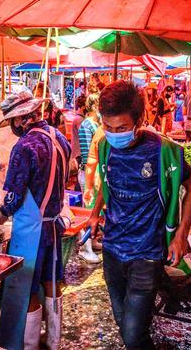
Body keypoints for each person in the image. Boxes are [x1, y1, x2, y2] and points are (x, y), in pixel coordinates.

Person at [86, 81, 191, 350]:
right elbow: (106, 180)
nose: (114, 134)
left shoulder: (164, 151)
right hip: (112, 250)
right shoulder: (104, 146)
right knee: (122, 321)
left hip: (146, 255)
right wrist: (94, 214)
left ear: (140, 120)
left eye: (122, 128)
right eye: (108, 127)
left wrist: (180, 235)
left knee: (134, 336)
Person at [0, 91, 71, 350]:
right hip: (54, 224)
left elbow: (14, 197)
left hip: (30, 231)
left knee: (27, 287)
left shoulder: (24, 147)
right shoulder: (59, 138)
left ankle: (28, 345)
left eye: (13, 121)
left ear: (21, 119)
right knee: (51, 280)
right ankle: (54, 341)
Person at [77, 94, 101, 264]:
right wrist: (89, 184)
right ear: (94, 106)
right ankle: (85, 248)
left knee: (96, 211)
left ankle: (93, 240)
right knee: (89, 212)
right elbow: (87, 158)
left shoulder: (96, 124)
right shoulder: (86, 125)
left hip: (97, 174)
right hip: (88, 175)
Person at [70, 94, 87, 177]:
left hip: (77, 153)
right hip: (79, 154)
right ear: (83, 107)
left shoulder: (79, 118)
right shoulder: (80, 120)